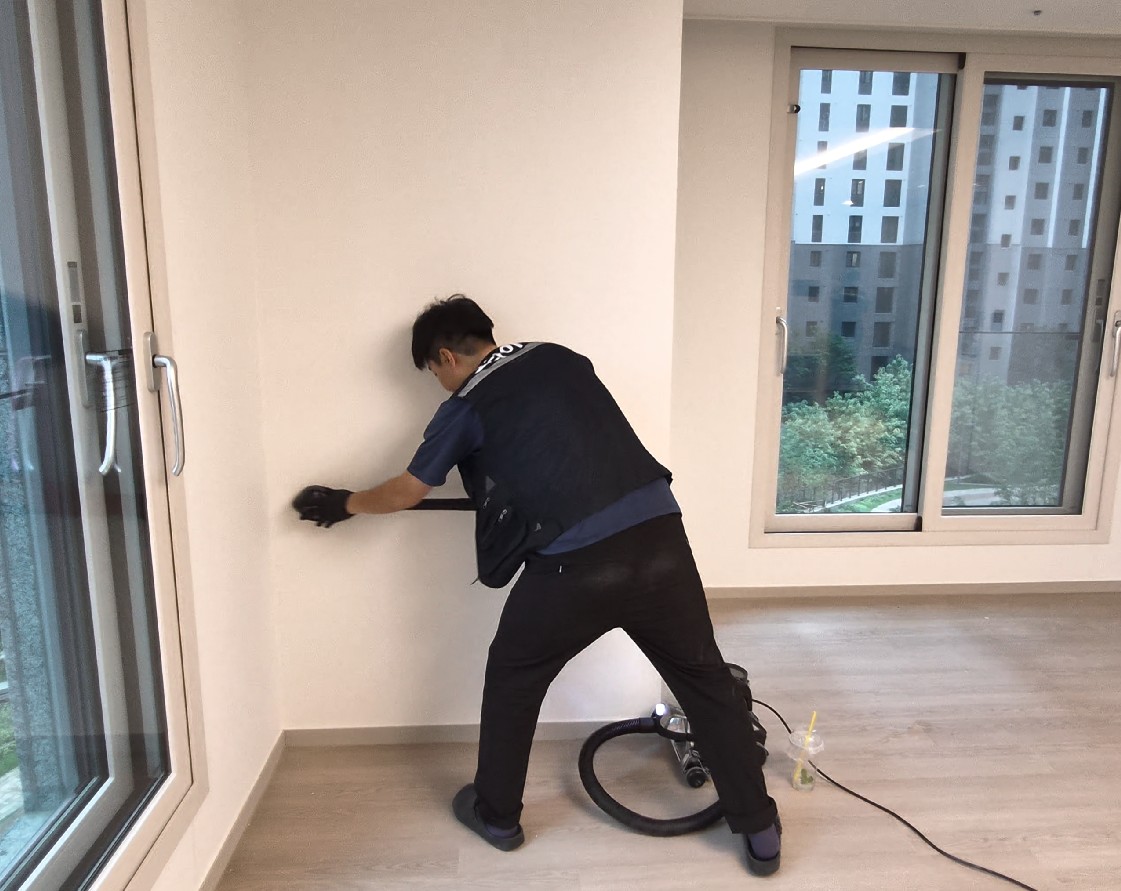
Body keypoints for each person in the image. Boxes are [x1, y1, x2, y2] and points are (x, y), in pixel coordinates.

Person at [292, 295, 781, 876]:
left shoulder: (466, 407)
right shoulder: (560, 357)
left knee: (514, 678)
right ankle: (762, 833)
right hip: (662, 542)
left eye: (433, 372)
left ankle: (497, 815)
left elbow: (409, 489)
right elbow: (566, 444)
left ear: (446, 356)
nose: (439, 383)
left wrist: (346, 503)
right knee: (704, 681)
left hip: (577, 569)